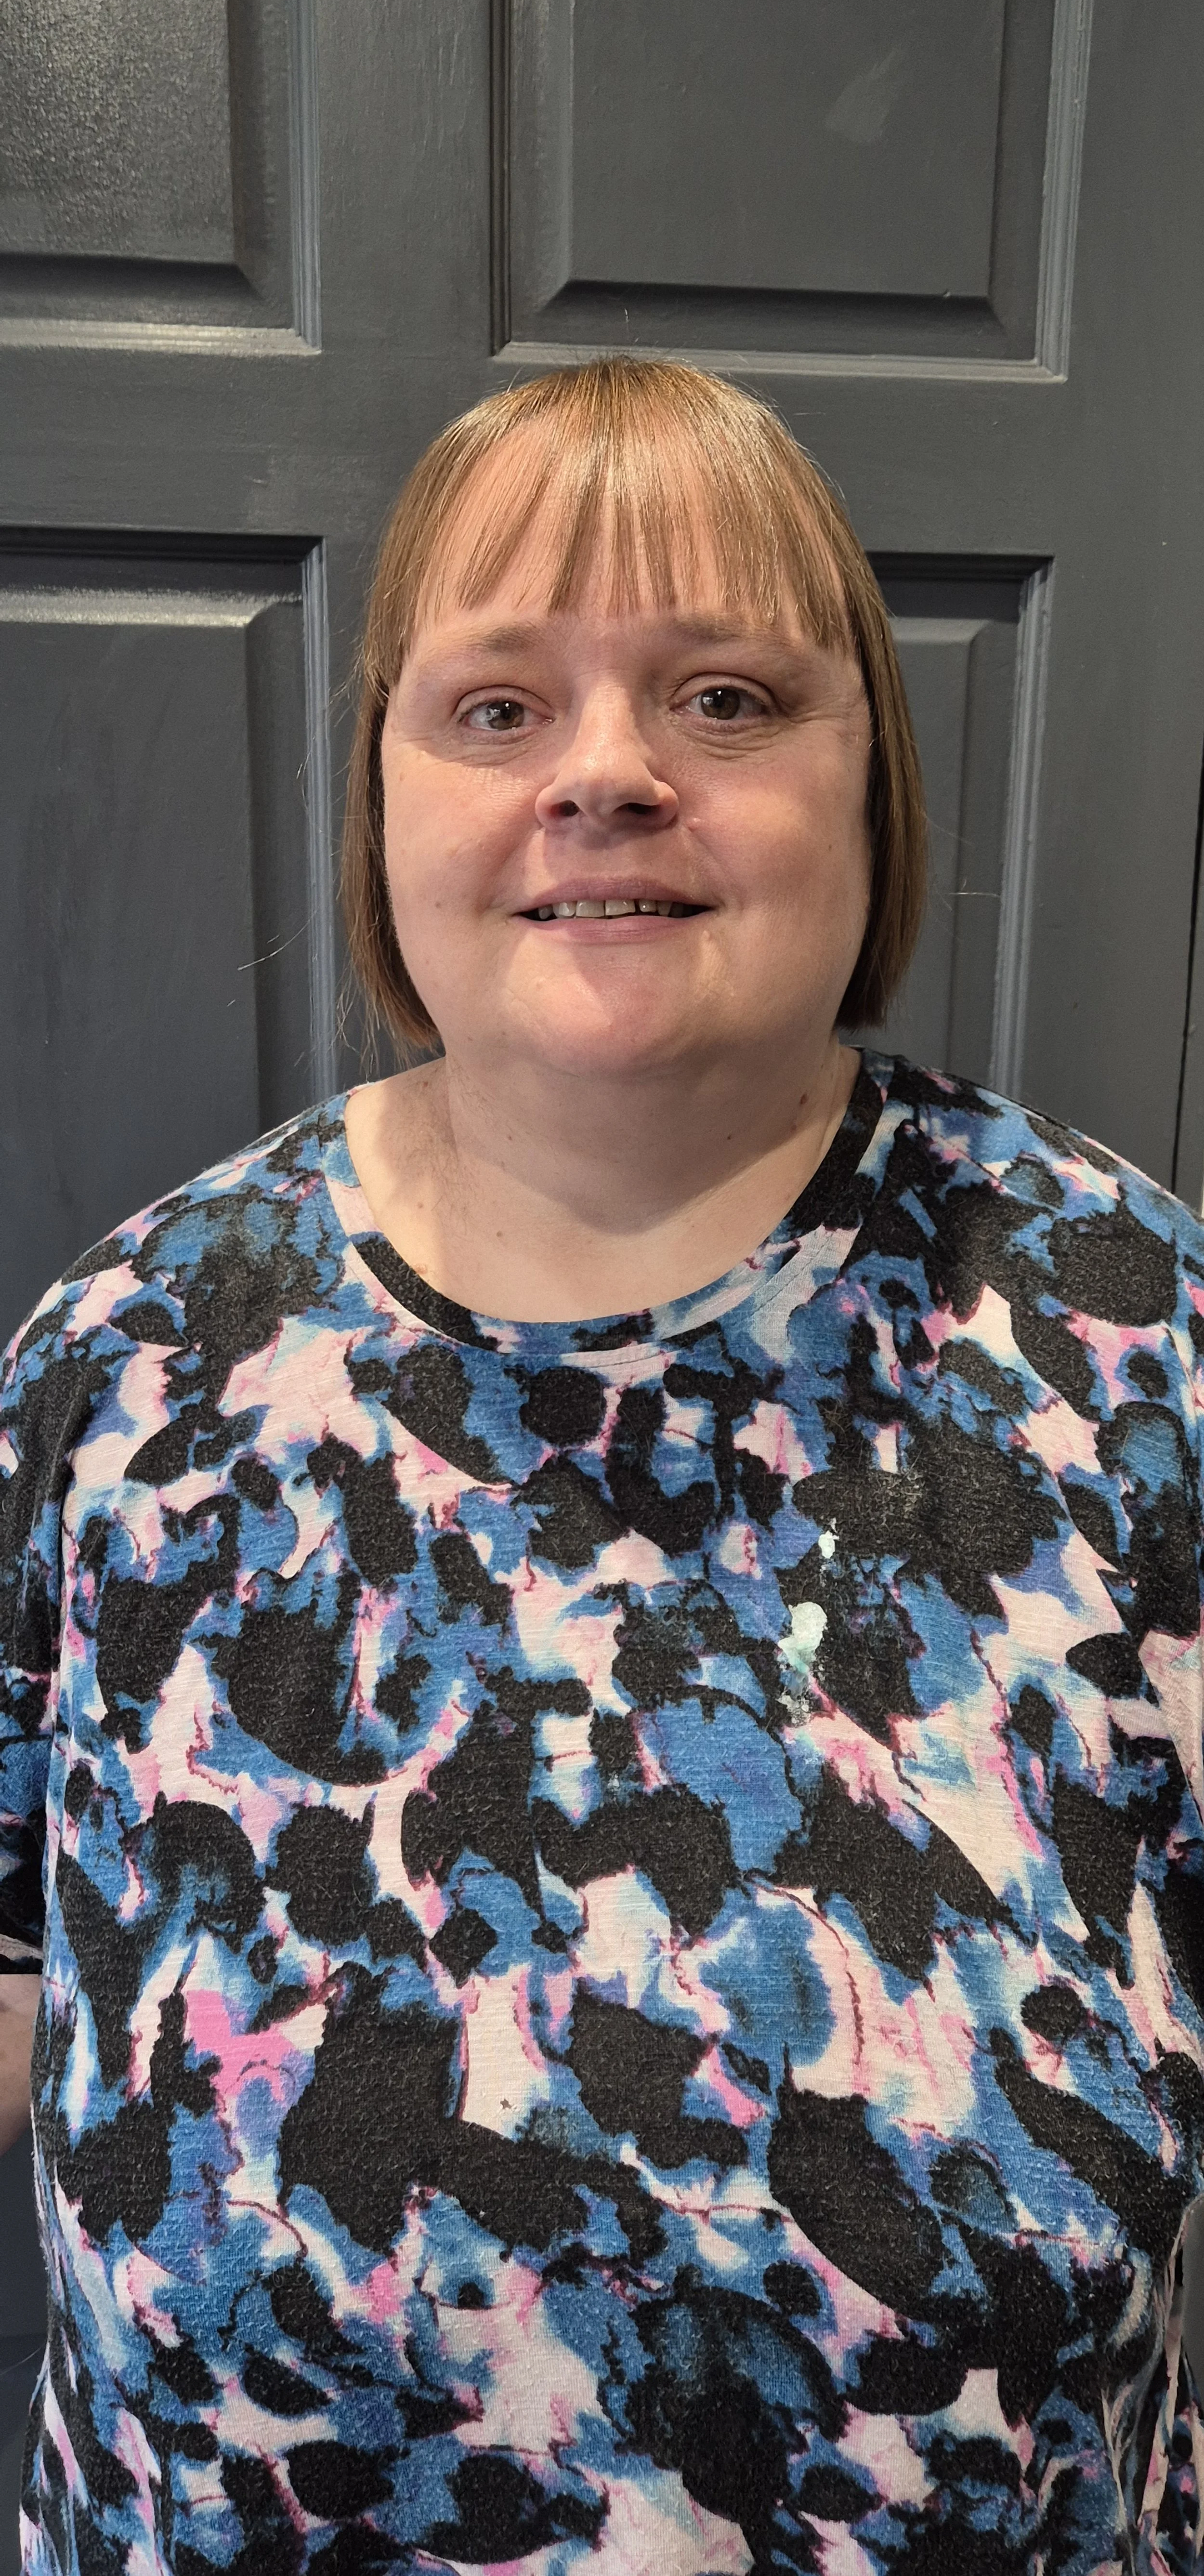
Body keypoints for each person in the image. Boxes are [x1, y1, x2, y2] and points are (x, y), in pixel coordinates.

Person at [1, 355, 1202, 2576]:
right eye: (494, 708)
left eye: (727, 697)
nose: (610, 777)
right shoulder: (127, 1371)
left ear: (875, 788)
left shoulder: (1138, 1350)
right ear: (384, 792)